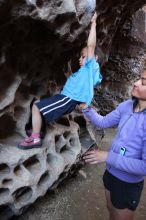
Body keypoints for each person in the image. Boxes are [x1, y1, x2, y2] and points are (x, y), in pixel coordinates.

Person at [18, 12, 103, 150]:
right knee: (38, 105)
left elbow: (91, 45)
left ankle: (35, 138)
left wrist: (94, 23)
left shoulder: (91, 66)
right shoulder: (88, 73)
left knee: (37, 107)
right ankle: (37, 129)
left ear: (95, 58)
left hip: (68, 99)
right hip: (66, 99)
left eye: (83, 56)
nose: (80, 59)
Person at [80, 69, 146, 220]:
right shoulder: (127, 106)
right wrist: (86, 108)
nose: (135, 83)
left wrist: (108, 156)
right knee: (111, 209)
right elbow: (103, 122)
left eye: (143, 82)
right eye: (138, 79)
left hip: (127, 184)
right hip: (110, 173)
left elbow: (144, 166)